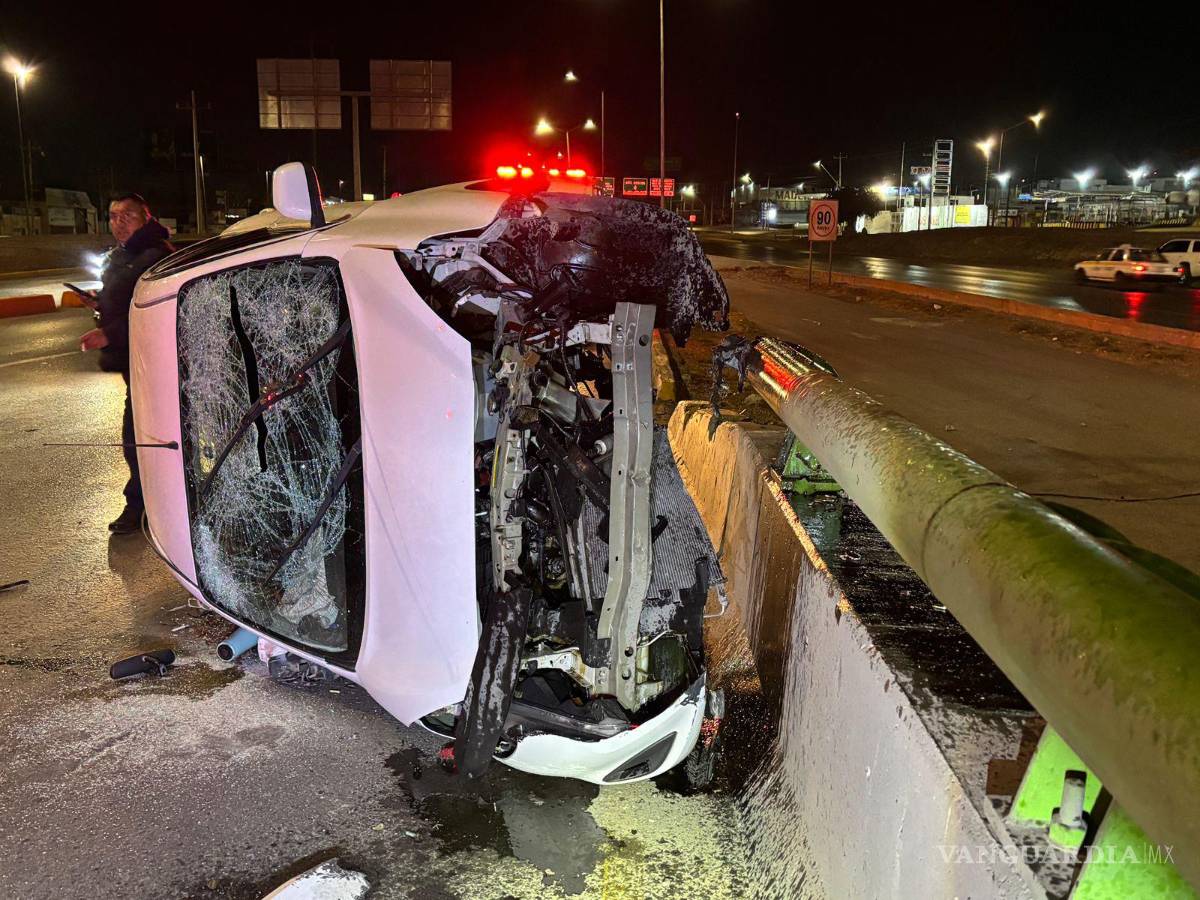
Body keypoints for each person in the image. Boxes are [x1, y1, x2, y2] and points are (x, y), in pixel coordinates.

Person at [80, 193, 174, 534]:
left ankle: (143, 506)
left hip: (154, 364)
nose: (119, 222)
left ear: (146, 217)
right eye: (113, 215)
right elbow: (122, 301)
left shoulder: (155, 256)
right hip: (132, 363)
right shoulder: (122, 256)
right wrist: (98, 302)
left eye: (127, 215)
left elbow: (155, 313)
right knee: (139, 438)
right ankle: (148, 504)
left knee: (141, 439)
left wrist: (109, 334)